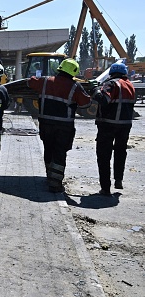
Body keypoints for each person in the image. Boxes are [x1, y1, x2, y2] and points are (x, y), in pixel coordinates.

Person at [27, 58, 91, 192]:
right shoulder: (75, 87)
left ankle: (49, 176)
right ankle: (55, 183)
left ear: (60, 68)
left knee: (48, 149)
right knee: (59, 153)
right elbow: (86, 104)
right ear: (73, 72)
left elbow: (30, 82)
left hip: (46, 124)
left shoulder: (45, 82)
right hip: (64, 127)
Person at [91, 63, 135, 196]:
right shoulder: (130, 86)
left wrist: (95, 90)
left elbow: (104, 100)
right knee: (120, 152)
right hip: (125, 126)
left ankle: (105, 188)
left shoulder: (111, 84)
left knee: (104, 156)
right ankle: (118, 179)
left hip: (108, 125)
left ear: (111, 73)